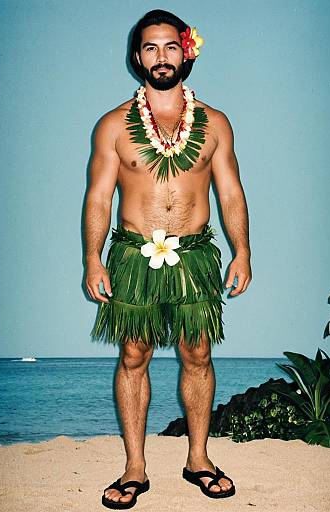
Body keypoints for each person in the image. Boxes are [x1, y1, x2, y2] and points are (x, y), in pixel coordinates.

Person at [84, 9, 252, 509]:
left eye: (170, 46)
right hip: (133, 255)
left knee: (197, 353)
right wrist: (94, 258)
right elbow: (98, 198)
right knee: (133, 354)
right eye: (151, 48)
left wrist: (242, 250)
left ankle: (198, 458)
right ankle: (135, 466)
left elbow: (231, 193)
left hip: (196, 254)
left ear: (186, 51)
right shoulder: (114, 125)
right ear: (137, 57)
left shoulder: (215, 123)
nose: (161, 57)